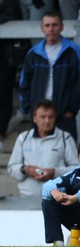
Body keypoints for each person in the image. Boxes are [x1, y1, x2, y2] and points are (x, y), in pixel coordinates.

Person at [19, 10, 80, 141]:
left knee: (67, 156)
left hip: (64, 115)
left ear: (61, 27)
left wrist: (71, 110)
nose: (51, 29)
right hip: (39, 116)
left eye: (54, 25)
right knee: (38, 156)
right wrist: (30, 109)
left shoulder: (73, 51)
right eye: (47, 25)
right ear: (42, 28)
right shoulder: (33, 53)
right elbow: (24, 84)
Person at [7, 99, 79, 197]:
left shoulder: (65, 138)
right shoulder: (23, 138)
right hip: (26, 198)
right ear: (34, 118)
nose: (47, 120)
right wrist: (26, 169)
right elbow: (11, 168)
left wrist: (54, 172)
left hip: (56, 201)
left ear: (55, 118)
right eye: (43, 117)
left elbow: (77, 169)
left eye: (51, 117)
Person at [0, 0, 24, 153]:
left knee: (3, 93)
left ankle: (0, 136)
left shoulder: (10, 3)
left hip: (6, 55)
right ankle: (14, 114)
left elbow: (12, 15)